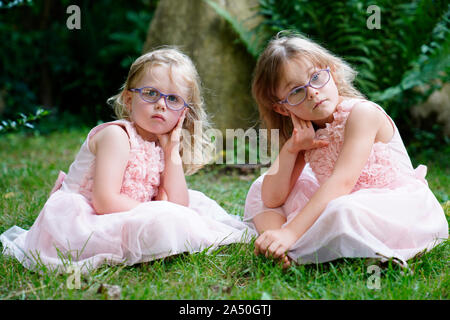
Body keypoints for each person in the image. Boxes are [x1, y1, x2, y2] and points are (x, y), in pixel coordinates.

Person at [0, 47, 256, 273]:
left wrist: (170, 152)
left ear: (184, 112)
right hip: (88, 216)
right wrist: (158, 211)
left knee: (188, 210)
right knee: (168, 218)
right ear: (129, 98)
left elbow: (180, 204)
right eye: (151, 93)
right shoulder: (117, 136)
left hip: (125, 210)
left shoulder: (160, 142)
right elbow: (104, 201)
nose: (161, 105)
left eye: (173, 99)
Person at [244, 32, 448, 268]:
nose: (312, 92)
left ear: (333, 71)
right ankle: (278, 246)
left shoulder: (363, 113)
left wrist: (291, 230)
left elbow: (342, 182)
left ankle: (298, 243)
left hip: (394, 208)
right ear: (282, 109)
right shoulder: (306, 131)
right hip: (339, 201)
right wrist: (292, 149)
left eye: (316, 77)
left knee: (342, 209)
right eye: (296, 91)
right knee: (260, 189)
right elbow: (271, 198)